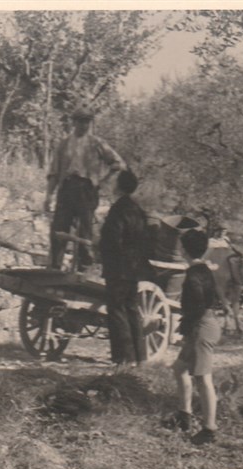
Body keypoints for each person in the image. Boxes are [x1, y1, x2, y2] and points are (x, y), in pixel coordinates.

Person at [44, 104, 127, 270]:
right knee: (59, 228)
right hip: (66, 189)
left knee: (85, 230)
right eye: (80, 121)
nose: (84, 125)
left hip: (87, 190)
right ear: (73, 122)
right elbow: (53, 173)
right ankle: (54, 266)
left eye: (87, 121)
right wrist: (48, 196)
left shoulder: (97, 143)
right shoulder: (63, 144)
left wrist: (102, 182)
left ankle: (84, 267)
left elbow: (118, 164)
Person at [169, 229, 222, 445]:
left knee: (203, 378)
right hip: (202, 324)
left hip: (202, 326)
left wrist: (186, 324)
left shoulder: (193, 275)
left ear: (183, 249)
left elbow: (198, 303)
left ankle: (209, 429)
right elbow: (214, 299)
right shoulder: (204, 269)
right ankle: (184, 416)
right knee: (179, 368)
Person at [99, 169, 152, 366]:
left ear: (119, 186)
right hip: (134, 268)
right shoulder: (139, 211)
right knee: (132, 310)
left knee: (117, 310)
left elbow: (112, 239)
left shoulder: (118, 210)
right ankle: (141, 357)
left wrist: (100, 251)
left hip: (117, 267)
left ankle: (124, 358)